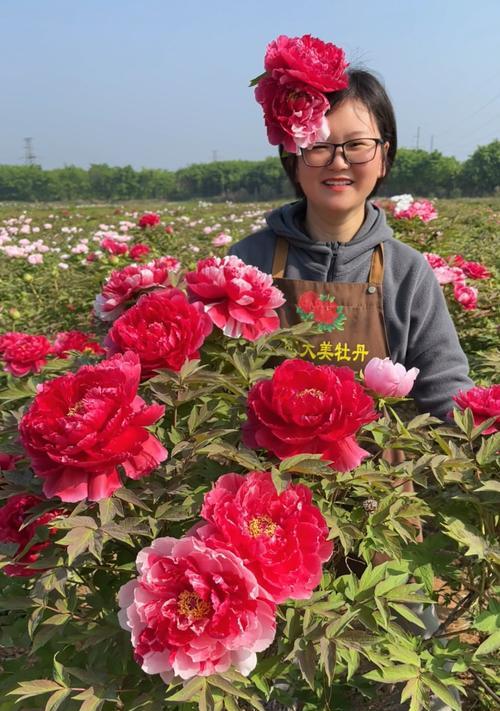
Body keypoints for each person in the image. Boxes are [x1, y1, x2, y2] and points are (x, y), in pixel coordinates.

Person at [229, 35, 472, 420]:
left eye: (358, 145)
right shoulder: (246, 264)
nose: (338, 162)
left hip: (380, 478)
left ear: (383, 159)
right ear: (292, 157)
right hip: (270, 475)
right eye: (320, 146)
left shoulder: (406, 272)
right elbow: (214, 386)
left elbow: (446, 393)